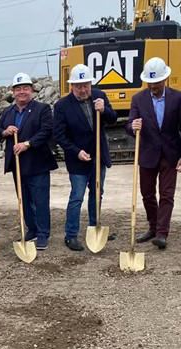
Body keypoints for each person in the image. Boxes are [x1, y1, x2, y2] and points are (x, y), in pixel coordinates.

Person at [126, 57, 181, 249]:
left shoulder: (178, 98)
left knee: (166, 194)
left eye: (156, 83)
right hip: (147, 153)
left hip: (170, 154)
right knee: (147, 194)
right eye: (150, 83)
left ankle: (162, 233)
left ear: (165, 79)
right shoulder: (138, 99)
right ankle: (153, 227)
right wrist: (133, 126)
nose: (153, 86)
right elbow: (129, 124)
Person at [53, 64, 117, 252]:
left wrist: (104, 110)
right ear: (71, 86)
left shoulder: (99, 96)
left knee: (97, 193)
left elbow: (113, 119)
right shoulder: (62, 106)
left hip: (98, 156)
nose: (83, 90)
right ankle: (71, 235)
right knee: (77, 197)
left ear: (90, 83)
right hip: (78, 159)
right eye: (79, 86)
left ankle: (94, 227)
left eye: (86, 85)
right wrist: (76, 151)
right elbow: (59, 135)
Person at [0, 73, 55, 250]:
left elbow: (47, 131)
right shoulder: (8, 112)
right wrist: (5, 132)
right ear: (13, 92)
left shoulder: (42, 109)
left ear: (32, 91)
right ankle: (32, 229)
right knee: (24, 198)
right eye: (18, 89)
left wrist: (28, 144)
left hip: (37, 163)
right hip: (18, 165)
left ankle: (43, 233)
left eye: (25, 89)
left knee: (41, 200)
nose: (22, 92)